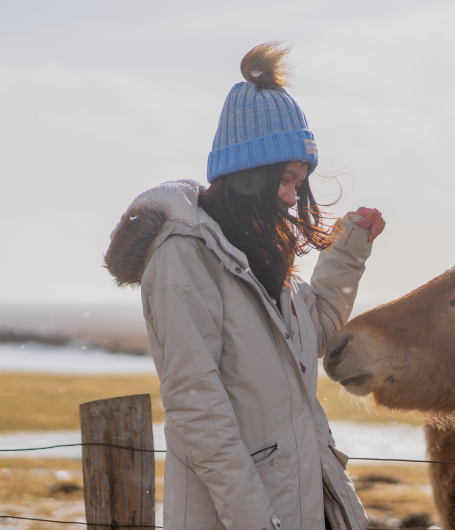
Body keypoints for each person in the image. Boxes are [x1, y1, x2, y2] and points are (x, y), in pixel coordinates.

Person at [103, 42, 381, 530]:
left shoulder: (263, 258)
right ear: (250, 172)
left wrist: (349, 251)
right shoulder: (184, 255)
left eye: (300, 182)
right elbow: (197, 411)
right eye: (287, 180)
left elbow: (311, 334)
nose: (295, 197)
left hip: (296, 507)